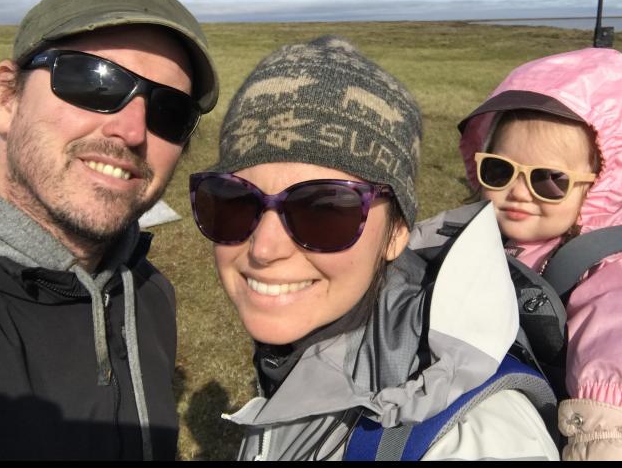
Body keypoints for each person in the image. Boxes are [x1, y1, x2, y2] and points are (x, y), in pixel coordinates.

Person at [189, 35, 559, 460]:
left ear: (397, 231)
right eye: (234, 200)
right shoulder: (303, 357)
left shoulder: (473, 439)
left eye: (324, 209)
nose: (264, 249)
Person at [0, 0, 219, 460]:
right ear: (6, 98)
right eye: (94, 81)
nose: (131, 129)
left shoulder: (147, 294)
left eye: (169, 111)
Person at [457, 47, 622, 460]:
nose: (517, 192)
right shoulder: (488, 233)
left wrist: (603, 445)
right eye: (499, 170)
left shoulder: (621, 275)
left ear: (605, 184)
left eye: (549, 180)